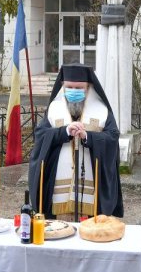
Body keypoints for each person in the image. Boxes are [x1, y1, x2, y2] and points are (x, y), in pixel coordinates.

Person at [27, 63, 124, 220]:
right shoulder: (54, 108)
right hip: (58, 182)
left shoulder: (102, 110)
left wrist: (88, 137)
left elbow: (112, 137)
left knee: (91, 227)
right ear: (62, 86)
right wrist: (64, 132)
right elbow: (41, 135)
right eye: (69, 87)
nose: (74, 91)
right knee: (59, 227)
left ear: (89, 87)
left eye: (79, 88)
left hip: (92, 181)